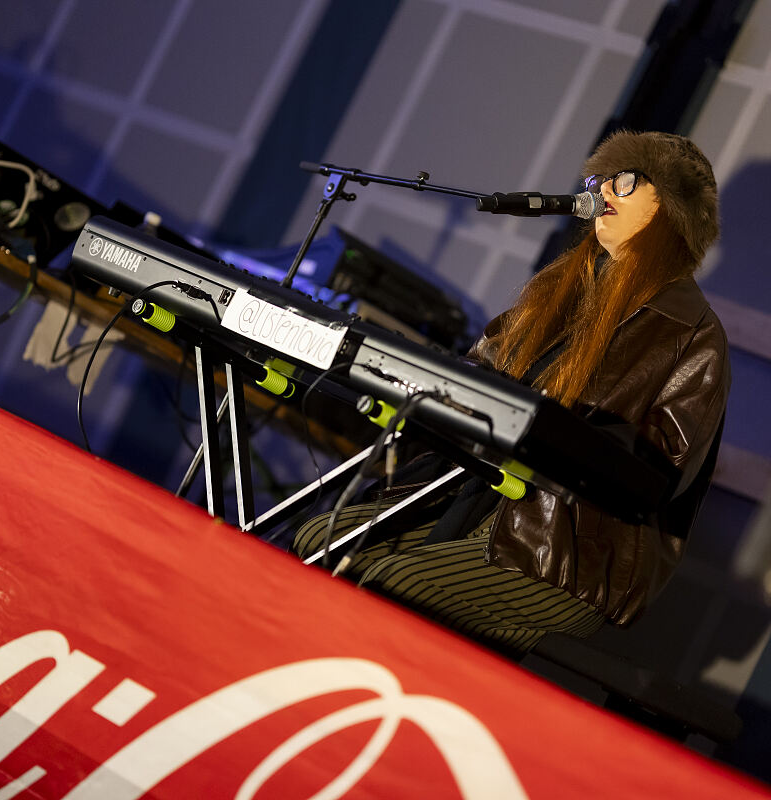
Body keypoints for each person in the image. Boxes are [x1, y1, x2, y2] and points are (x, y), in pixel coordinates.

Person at [293, 130, 730, 658]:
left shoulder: (693, 335)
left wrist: (558, 431)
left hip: (559, 548)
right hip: (468, 493)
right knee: (317, 540)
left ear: (673, 208)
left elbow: (655, 473)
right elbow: (476, 374)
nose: (603, 190)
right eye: (601, 178)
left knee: (397, 582)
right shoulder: (557, 287)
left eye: (627, 180)